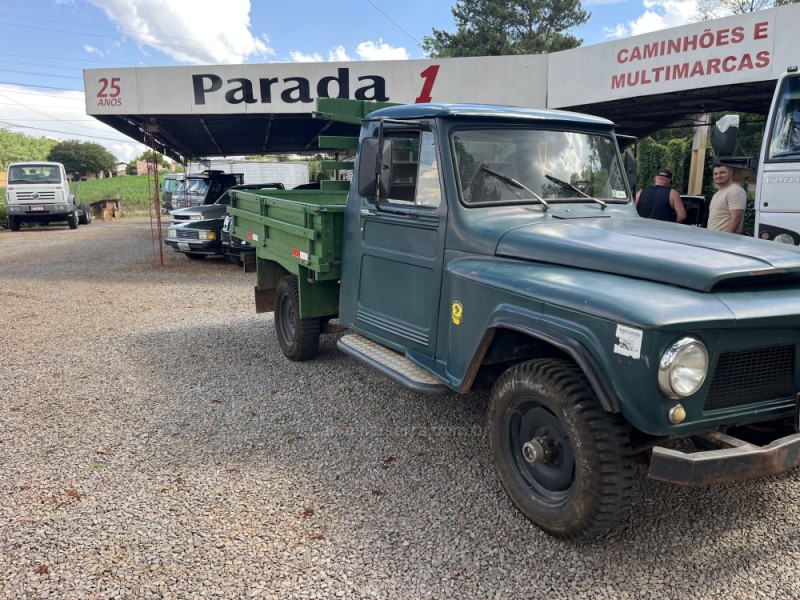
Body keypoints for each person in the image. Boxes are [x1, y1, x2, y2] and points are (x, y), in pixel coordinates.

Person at [707, 164, 746, 233]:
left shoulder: (735, 191)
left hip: (723, 240)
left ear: (730, 173)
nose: (718, 176)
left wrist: (726, 239)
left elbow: (736, 218)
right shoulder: (717, 193)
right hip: (713, 238)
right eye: (715, 174)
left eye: (722, 172)